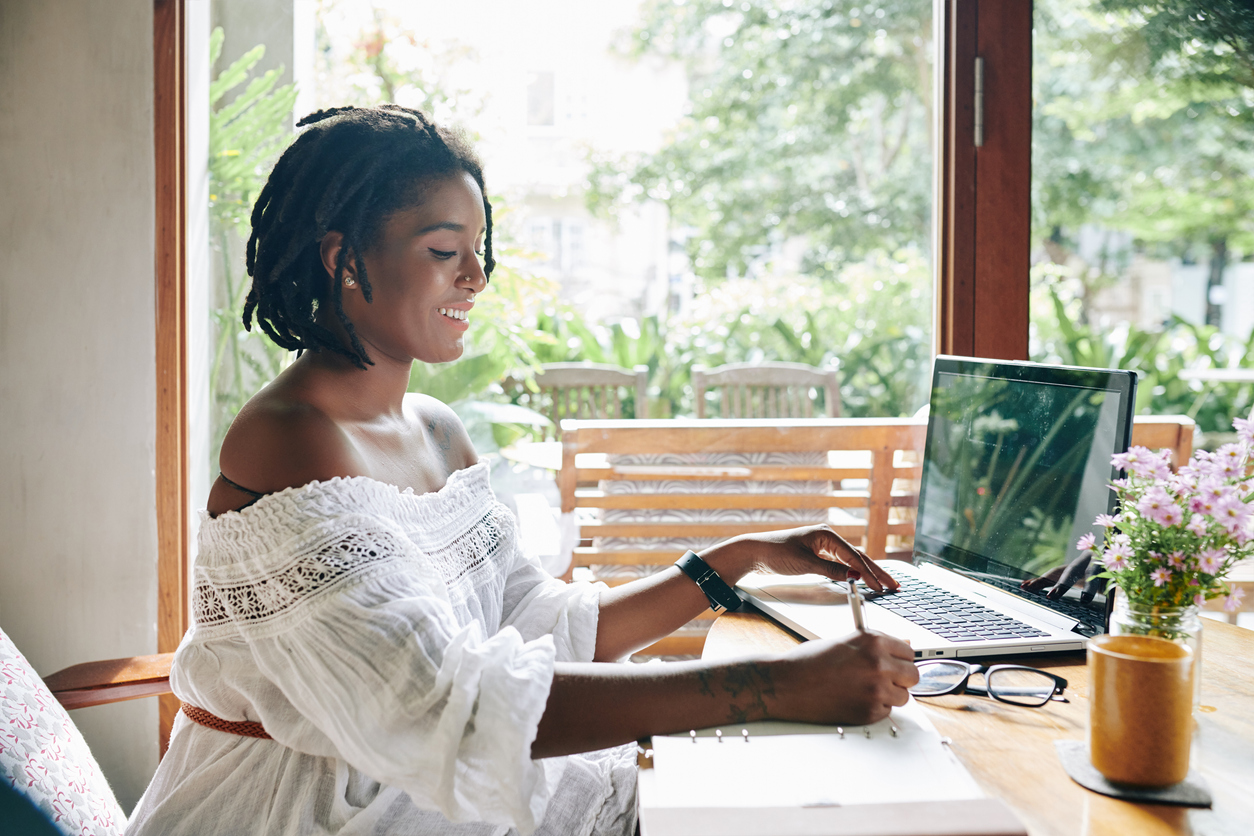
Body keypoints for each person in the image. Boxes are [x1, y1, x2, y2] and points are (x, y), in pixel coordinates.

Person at [125, 105, 918, 836]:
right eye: (444, 252)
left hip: (415, 785)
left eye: (479, 251)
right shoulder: (291, 439)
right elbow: (438, 703)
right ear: (343, 259)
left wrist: (734, 560)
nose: (476, 277)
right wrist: (770, 687)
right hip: (311, 810)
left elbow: (529, 619)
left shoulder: (435, 430)